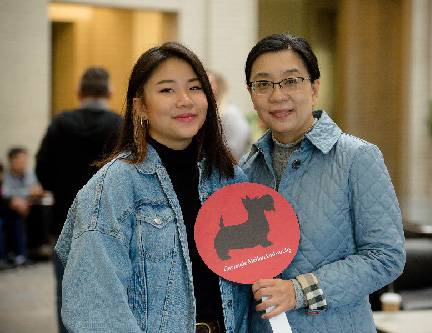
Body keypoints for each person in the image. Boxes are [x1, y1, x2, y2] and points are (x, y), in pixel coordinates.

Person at [54, 41, 251, 332]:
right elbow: (96, 306)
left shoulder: (229, 178)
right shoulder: (115, 184)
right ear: (140, 106)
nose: (185, 100)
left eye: (195, 88)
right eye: (167, 89)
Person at [239, 34, 406, 332]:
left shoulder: (357, 157)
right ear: (252, 95)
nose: (277, 96)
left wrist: (300, 290)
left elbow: (386, 257)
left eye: (291, 81)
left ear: (314, 88)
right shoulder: (246, 170)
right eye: (263, 84)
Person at [35, 66, 123, 333]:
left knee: (66, 296)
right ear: (110, 92)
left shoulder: (59, 124)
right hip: (110, 226)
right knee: (111, 296)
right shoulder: (119, 126)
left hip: (64, 221)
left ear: (78, 92)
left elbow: (43, 172)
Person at [1, 147, 42, 267]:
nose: (23, 164)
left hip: (28, 208)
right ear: (11, 161)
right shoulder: (7, 176)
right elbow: (7, 194)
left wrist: (22, 198)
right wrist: (23, 198)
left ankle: (22, 254)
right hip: (10, 210)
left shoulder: (30, 173)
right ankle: (14, 256)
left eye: (24, 161)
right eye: (19, 161)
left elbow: (37, 190)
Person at [208, 71, 252, 161]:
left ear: (219, 86)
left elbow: (235, 153)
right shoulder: (208, 115)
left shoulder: (230, 114)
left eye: (209, 84)